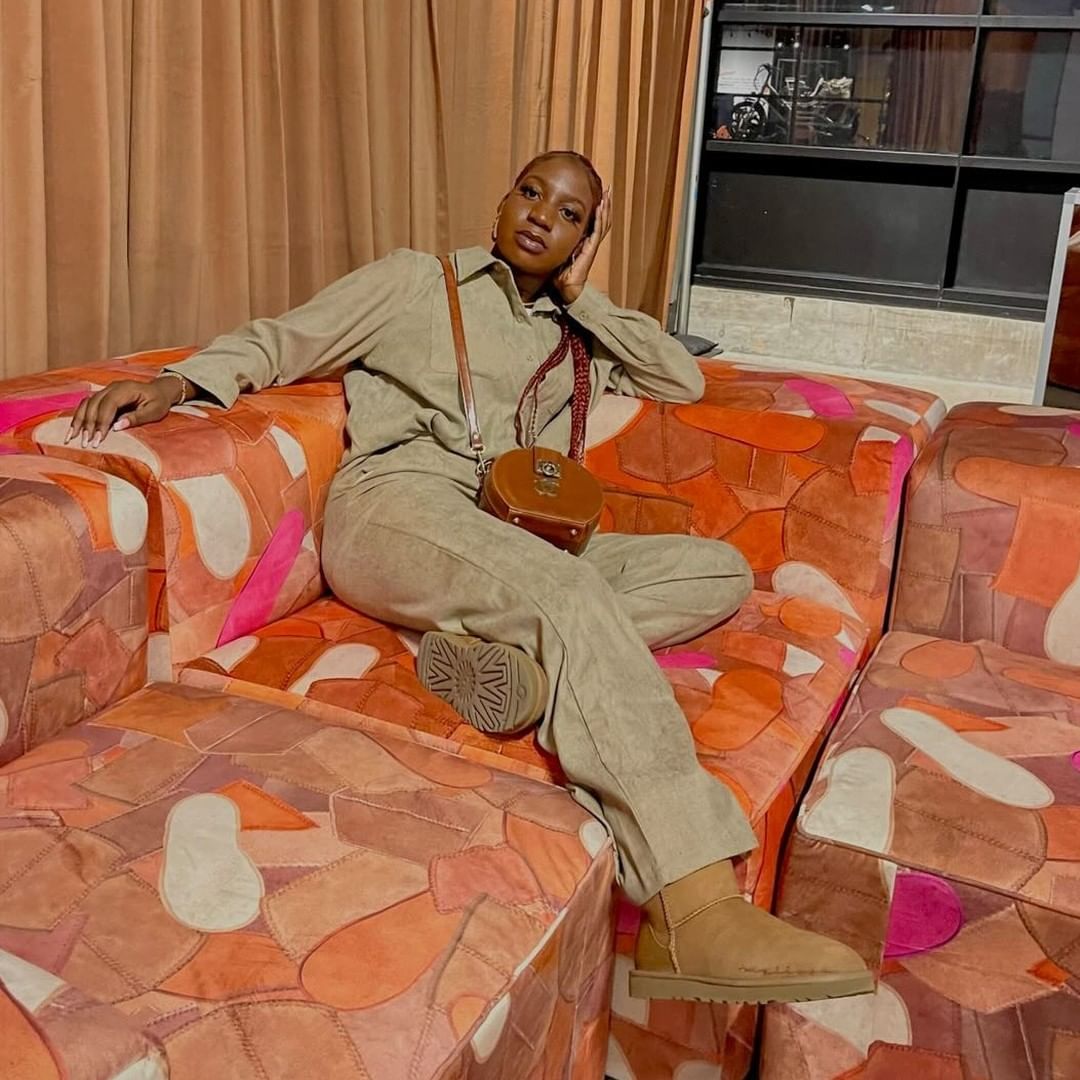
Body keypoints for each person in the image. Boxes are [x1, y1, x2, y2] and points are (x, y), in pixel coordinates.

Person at [68, 150, 872, 1005]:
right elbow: (287, 337)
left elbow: (680, 375)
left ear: (583, 239)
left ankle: (528, 665)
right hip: (396, 505)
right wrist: (179, 382)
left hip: (507, 529)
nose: (542, 216)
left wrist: (582, 294)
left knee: (716, 570)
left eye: (569, 214)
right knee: (568, 595)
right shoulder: (419, 282)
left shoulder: (571, 335)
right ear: (501, 203)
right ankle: (694, 906)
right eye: (531, 193)